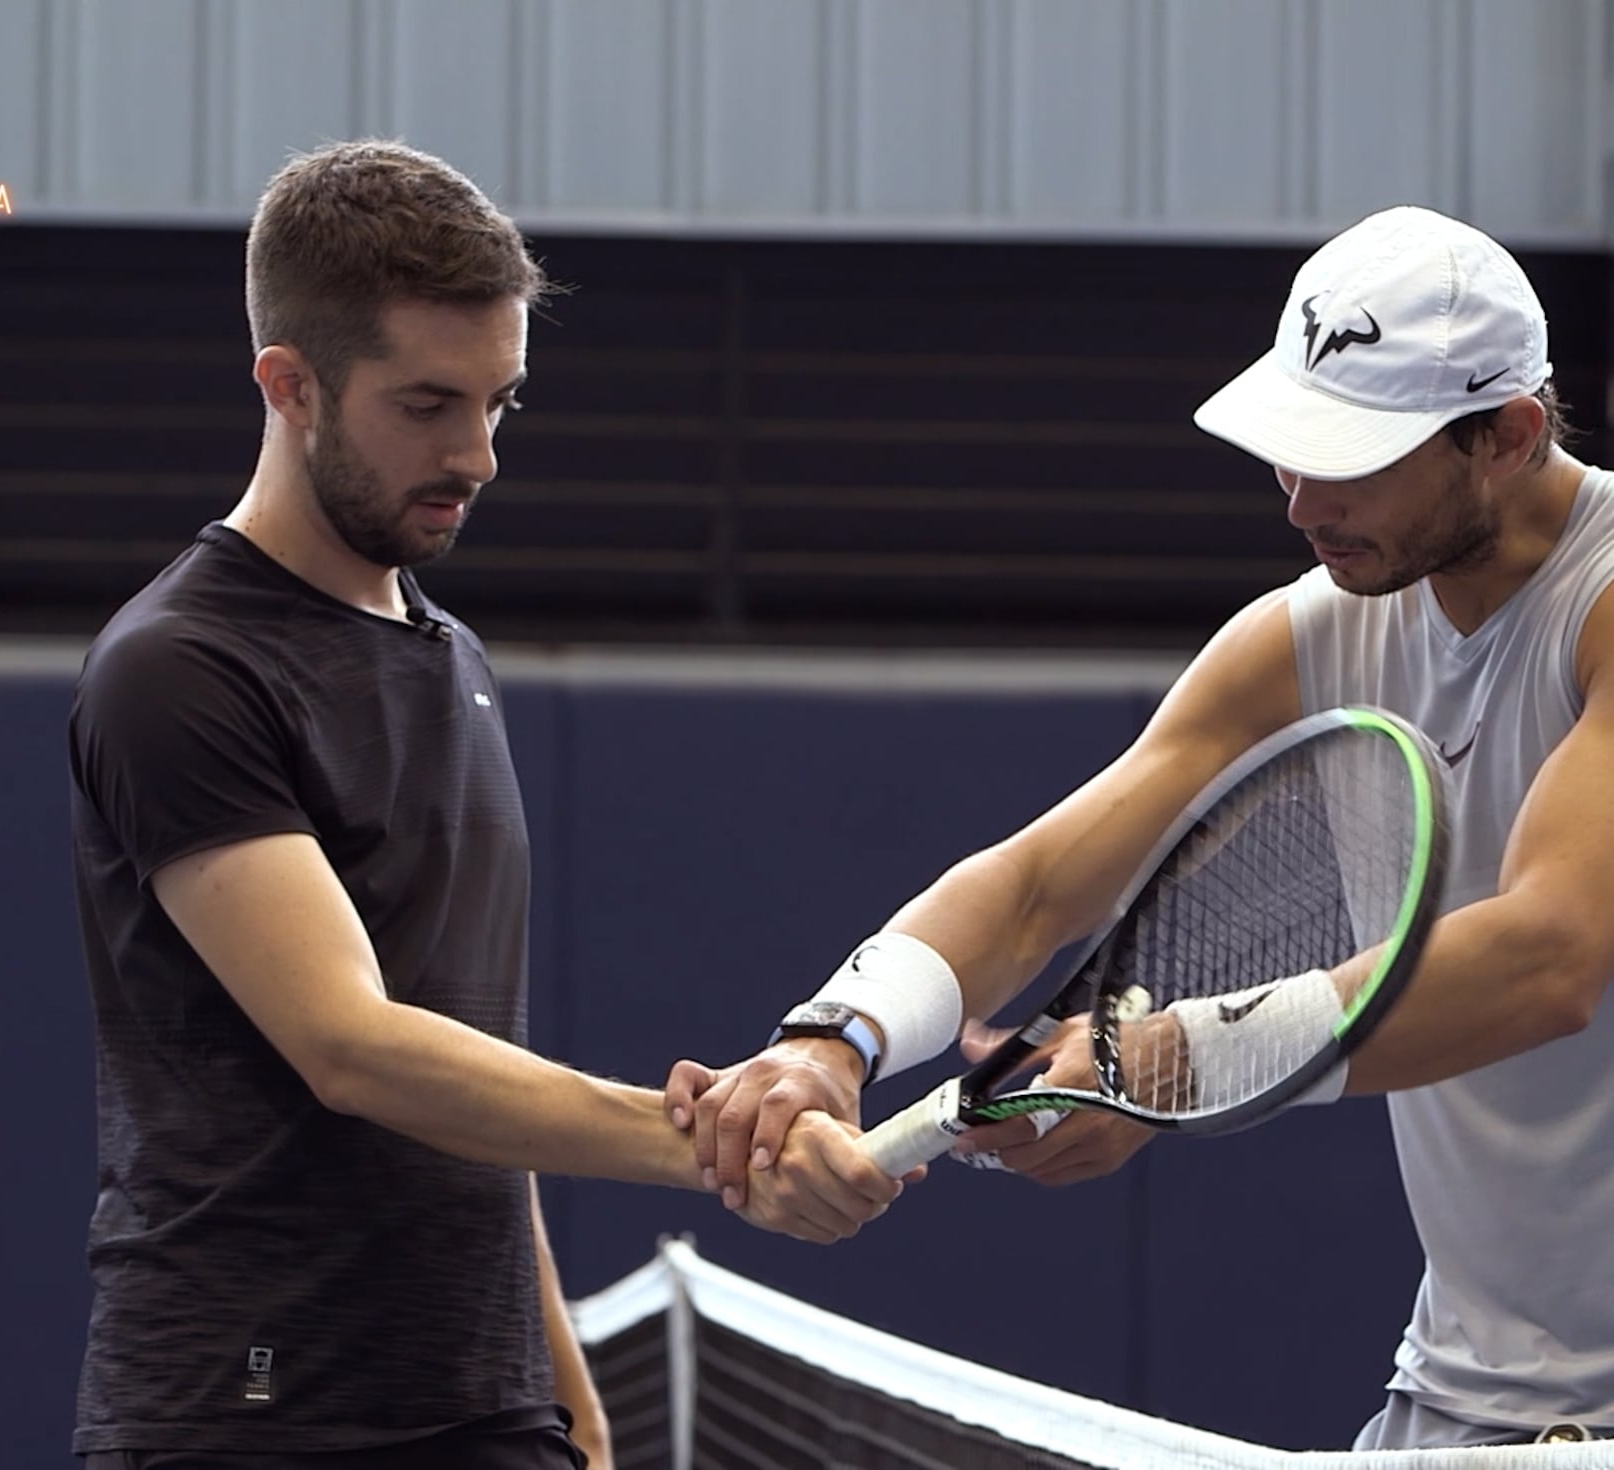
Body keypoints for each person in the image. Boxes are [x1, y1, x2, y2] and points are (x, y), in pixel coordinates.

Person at [665, 204, 1614, 1450]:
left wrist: (1175, 1061)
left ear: (1509, 437)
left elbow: (1548, 957)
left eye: (1353, 459)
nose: (1299, 500)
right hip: (1466, 1398)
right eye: (1290, 449)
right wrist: (831, 1043)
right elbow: (1036, 888)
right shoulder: (1310, 630)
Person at [65, 140, 902, 1470]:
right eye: (427, 404)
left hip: (486, 1405)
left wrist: (562, 1386)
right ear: (290, 386)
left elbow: (464, 1058)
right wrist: (711, 1141)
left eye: (499, 402)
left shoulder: (451, 656)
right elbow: (354, 1047)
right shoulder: (180, 670)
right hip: (248, 1416)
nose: (476, 454)